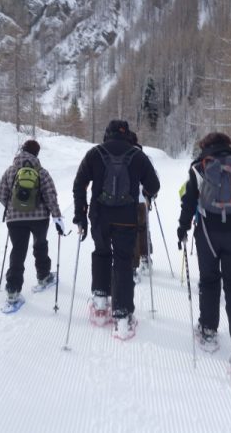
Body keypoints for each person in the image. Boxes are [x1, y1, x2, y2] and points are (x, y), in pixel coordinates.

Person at [177, 132, 231, 367]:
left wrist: (183, 228)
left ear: (206, 146)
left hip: (207, 233)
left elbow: (189, 202)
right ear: (228, 143)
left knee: (209, 281)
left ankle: (208, 330)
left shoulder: (199, 167)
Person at [72, 120, 160, 339]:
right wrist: (145, 191)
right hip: (126, 219)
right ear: (126, 134)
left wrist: (80, 215)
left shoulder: (94, 153)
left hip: (100, 217)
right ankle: (122, 315)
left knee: (101, 253)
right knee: (122, 261)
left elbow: (79, 185)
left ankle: (100, 303)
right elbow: (154, 186)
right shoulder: (137, 155)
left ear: (106, 133)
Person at [0, 139, 65, 311]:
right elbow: (50, 196)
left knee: (18, 251)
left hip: (15, 220)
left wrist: (12, 207)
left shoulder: (10, 171)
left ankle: (12, 291)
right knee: (40, 245)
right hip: (39, 218)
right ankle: (43, 276)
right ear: (36, 154)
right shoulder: (41, 172)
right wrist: (57, 217)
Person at [128, 131, 152, 281]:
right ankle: (146, 257)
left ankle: (133, 266)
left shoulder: (124, 155)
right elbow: (153, 178)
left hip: (127, 202)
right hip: (143, 200)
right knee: (143, 228)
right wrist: (150, 195)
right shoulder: (144, 156)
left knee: (132, 232)